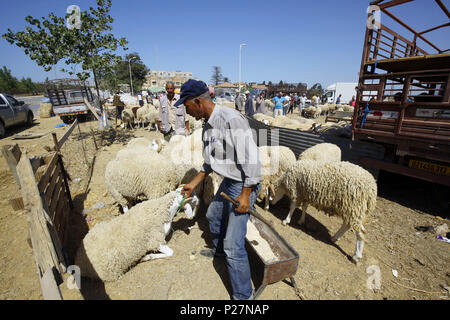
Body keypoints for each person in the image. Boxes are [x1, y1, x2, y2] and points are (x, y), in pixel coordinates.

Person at [178, 79, 262, 300]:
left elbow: (252, 160)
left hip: (244, 183)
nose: (188, 113)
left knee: (235, 245)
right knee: (213, 215)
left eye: (187, 107)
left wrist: (246, 195)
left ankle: (244, 298)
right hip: (229, 181)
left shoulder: (231, 119)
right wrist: (193, 185)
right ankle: (221, 253)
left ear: (197, 101)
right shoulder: (207, 125)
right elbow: (209, 163)